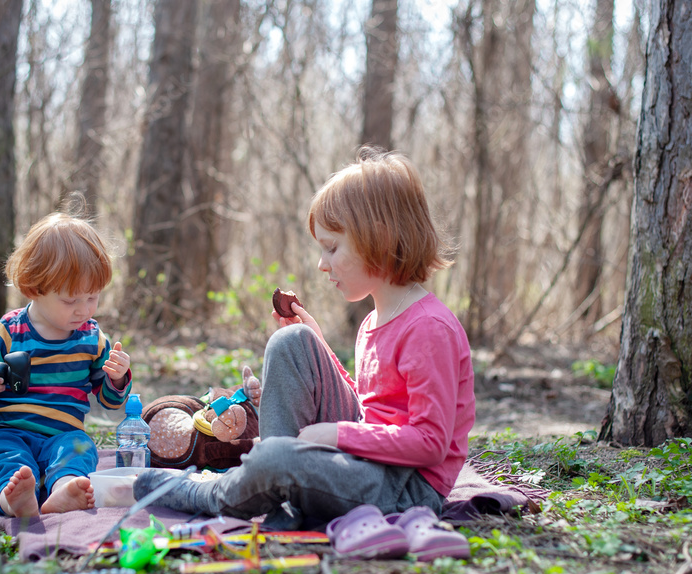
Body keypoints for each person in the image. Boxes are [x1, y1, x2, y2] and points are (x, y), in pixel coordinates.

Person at [134, 146, 475, 526]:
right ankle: (280, 495)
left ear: (378, 237)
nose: (321, 263)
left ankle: (218, 492)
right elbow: (372, 407)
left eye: (332, 248)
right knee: (291, 343)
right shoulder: (374, 321)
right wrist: (319, 347)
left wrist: (337, 435)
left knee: (276, 458)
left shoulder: (429, 328)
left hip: (406, 488)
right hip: (364, 461)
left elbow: (430, 444)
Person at [0, 211, 132, 518]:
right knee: (1, 457)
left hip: (62, 435)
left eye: (93, 297)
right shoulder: (6, 334)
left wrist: (117, 379)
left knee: (80, 447)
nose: (83, 310)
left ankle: (64, 488)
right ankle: (15, 500)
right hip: (7, 431)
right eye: (70, 300)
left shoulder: (93, 340)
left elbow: (109, 399)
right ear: (34, 288)